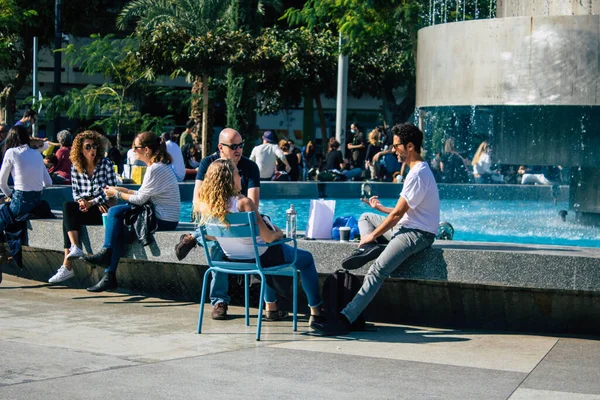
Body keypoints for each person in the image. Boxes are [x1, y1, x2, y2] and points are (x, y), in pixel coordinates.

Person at [312, 123, 440, 336]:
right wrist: (380, 209)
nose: (392, 149)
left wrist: (373, 234)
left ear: (410, 146)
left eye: (396, 145)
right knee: (366, 217)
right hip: (407, 226)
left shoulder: (418, 174)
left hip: (417, 234)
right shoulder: (418, 171)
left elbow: (398, 215)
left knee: (377, 270)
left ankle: (345, 319)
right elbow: (404, 210)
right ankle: (370, 247)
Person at [196, 158, 324, 323]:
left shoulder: (207, 206)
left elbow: (210, 236)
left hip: (232, 260)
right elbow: (268, 237)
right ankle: (316, 310)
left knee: (264, 256)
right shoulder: (243, 203)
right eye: (237, 173)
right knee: (305, 259)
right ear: (228, 178)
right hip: (260, 258)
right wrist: (279, 233)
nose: (240, 176)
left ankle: (271, 308)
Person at [179, 128, 261, 320]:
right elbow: (197, 202)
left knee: (220, 235)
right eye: (233, 146)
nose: (239, 150)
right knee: (218, 242)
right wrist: (222, 211)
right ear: (220, 147)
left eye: (241, 145)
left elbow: (253, 205)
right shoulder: (208, 163)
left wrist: (231, 209)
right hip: (213, 219)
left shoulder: (250, 167)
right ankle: (219, 301)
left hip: (239, 220)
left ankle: (193, 238)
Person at [83, 132, 180, 292]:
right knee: (119, 225)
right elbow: (143, 195)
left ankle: (107, 254)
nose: (133, 150)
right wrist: (121, 189)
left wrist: (116, 194)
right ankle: (109, 274)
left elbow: (140, 200)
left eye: (136, 147)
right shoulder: (158, 166)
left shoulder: (155, 169)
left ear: (146, 149)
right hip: (163, 216)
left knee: (114, 211)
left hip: (163, 219)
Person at [48, 131, 117, 284]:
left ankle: (67, 266)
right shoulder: (76, 167)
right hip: (86, 206)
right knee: (68, 207)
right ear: (80, 149)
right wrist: (81, 201)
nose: (92, 150)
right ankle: (74, 247)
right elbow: (76, 192)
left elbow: (113, 191)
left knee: (67, 219)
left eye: (94, 146)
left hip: (101, 207)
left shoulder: (105, 164)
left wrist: (93, 202)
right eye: (88, 147)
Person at [0, 126, 52, 231]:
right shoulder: (37, 154)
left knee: (3, 211)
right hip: (37, 204)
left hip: (20, 202)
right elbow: (48, 182)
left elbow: (1, 182)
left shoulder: (11, 152)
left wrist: (10, 195)